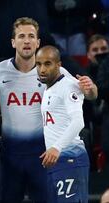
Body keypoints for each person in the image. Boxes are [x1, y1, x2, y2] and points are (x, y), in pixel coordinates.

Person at [0, 17, 97, 203]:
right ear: (13, 42)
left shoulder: (56, 71)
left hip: (44, 156)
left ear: (38, 42)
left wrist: (91, 88)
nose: (27, 40)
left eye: (31, 36)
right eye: (21, 36)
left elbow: (89, 95)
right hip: (10, 157)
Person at [36, 45, 89, 203]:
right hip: (55, 161)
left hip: (70, 158)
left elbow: (78, 121)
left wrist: (56, 147)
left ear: (58, 65)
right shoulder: (49, 87)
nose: (42, 69)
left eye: (47, 64)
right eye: (38, 64)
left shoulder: (67, 86)